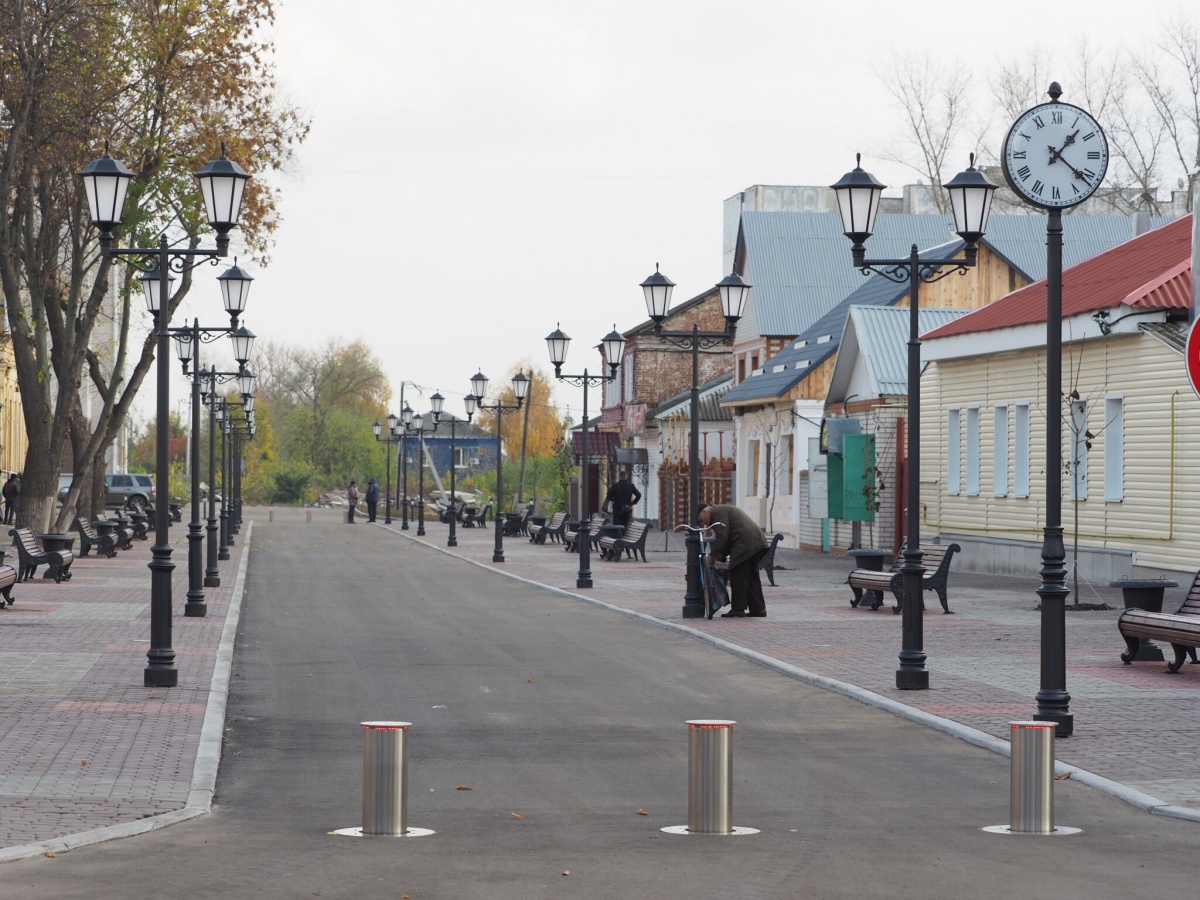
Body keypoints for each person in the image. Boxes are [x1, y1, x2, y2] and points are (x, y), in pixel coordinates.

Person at [697, 502, 769, 618]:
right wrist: (721, 556)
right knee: (751, 576)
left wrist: (713, 556)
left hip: (745, 543)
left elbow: (723, 537)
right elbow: (727, 536)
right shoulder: (720, 511)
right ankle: (758, 609)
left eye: (701, 520)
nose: (703, 524)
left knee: (737, 574)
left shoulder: (717, 513)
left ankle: (738, 609)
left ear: (704, 512)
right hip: (755, 541)